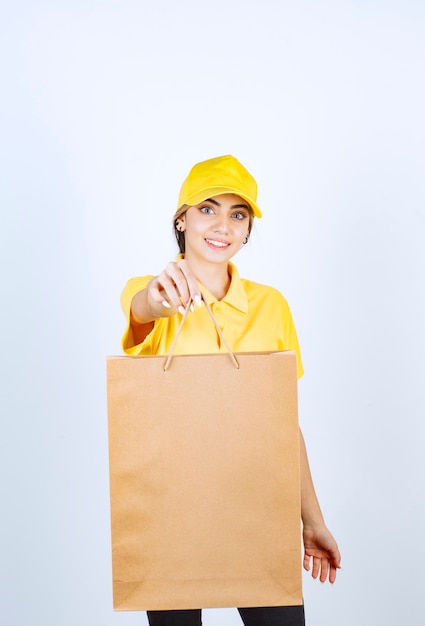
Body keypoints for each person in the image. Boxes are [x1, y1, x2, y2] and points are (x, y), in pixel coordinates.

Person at [120, 155, 341, 626]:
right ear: (182, 219)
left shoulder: (271, 305)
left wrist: (313, 520)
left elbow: (284, 426)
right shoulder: (153, 291)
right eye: (207, 209)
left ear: (246, 229)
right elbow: (143, 307)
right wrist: (157, 297)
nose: (222, 225)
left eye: (238, 214)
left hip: (256, 514)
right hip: (171, 517)